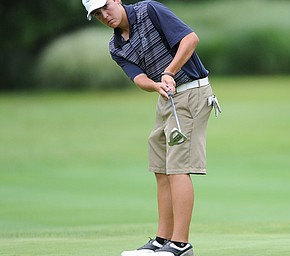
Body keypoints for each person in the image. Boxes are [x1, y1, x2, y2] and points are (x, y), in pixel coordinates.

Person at [82, 1, 221, 255]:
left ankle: (180, 244)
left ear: (117, 0)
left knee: (179, 167)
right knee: (161, 166)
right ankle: (162, 240)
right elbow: (139, 78)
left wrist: (169, 71)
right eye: (97, 13)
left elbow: (190, 39)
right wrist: (157, 85)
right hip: (166, 97)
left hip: (192, 92)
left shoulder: (149, 10)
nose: (105, 15)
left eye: (106, 7)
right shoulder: (116, 46)